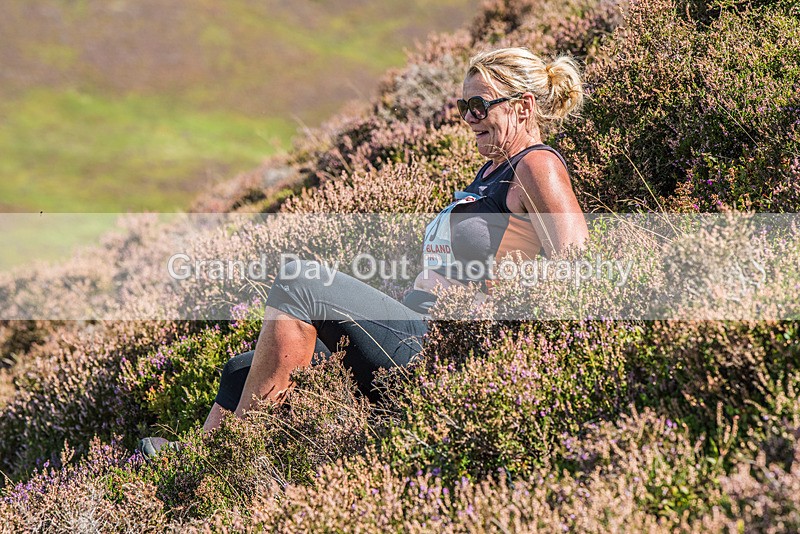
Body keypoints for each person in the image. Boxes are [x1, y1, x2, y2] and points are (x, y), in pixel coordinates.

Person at [137, 47, 589, 457]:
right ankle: (195, 464)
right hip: (414, 326)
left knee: (300, 280)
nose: (469, 118)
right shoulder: (490, 172)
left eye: (480, 105)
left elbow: (576, 265)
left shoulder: (536, 164)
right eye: (463, 107)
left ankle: (226, 459)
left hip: (439, 346)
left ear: (524, 106)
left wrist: (500, 321)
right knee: (245, 368)